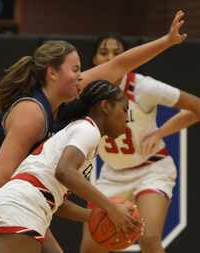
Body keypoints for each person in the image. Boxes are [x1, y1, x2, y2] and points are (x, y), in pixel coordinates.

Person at [0, 11, 187, 253]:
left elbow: (119, 65)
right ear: (52, 73)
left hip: (11, 190)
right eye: (75, 69)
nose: (81, 75)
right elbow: (5, 179)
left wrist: (166, 41)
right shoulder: (34, 114)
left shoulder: (66, 96)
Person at [76, 34, 200, 253]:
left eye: (117, 52)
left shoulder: (143, 87)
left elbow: (196, 106)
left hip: (152, 168)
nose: (110, 58)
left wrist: (161, 133)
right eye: (104, 52)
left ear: (129, 56)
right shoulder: (85, 93)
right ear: (94, 59)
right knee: (90, 248)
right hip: (112, 173)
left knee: (149, 238)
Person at [0, 80, 141, 253]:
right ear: (105, 106)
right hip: (22, 205)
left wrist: (94, 216)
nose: (127, 118)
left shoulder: (80, 131)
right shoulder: (88, 130)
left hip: (17, 202)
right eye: (124, 110)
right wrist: (111, 208)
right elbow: (64, 172)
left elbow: (54, 199)